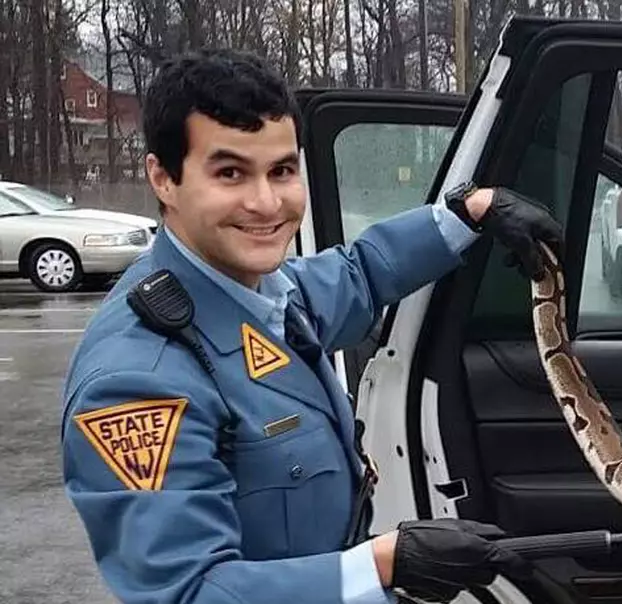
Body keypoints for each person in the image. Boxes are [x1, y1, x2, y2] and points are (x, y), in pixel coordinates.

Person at [60, 48, 563, 604]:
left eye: (281, 170)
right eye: (230, 172)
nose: (265, 202)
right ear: (163, 178)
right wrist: (380, 566)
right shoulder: (135, 381)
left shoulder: (266, 290)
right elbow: (186, 592)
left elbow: (362, 274)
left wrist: (469, 212)